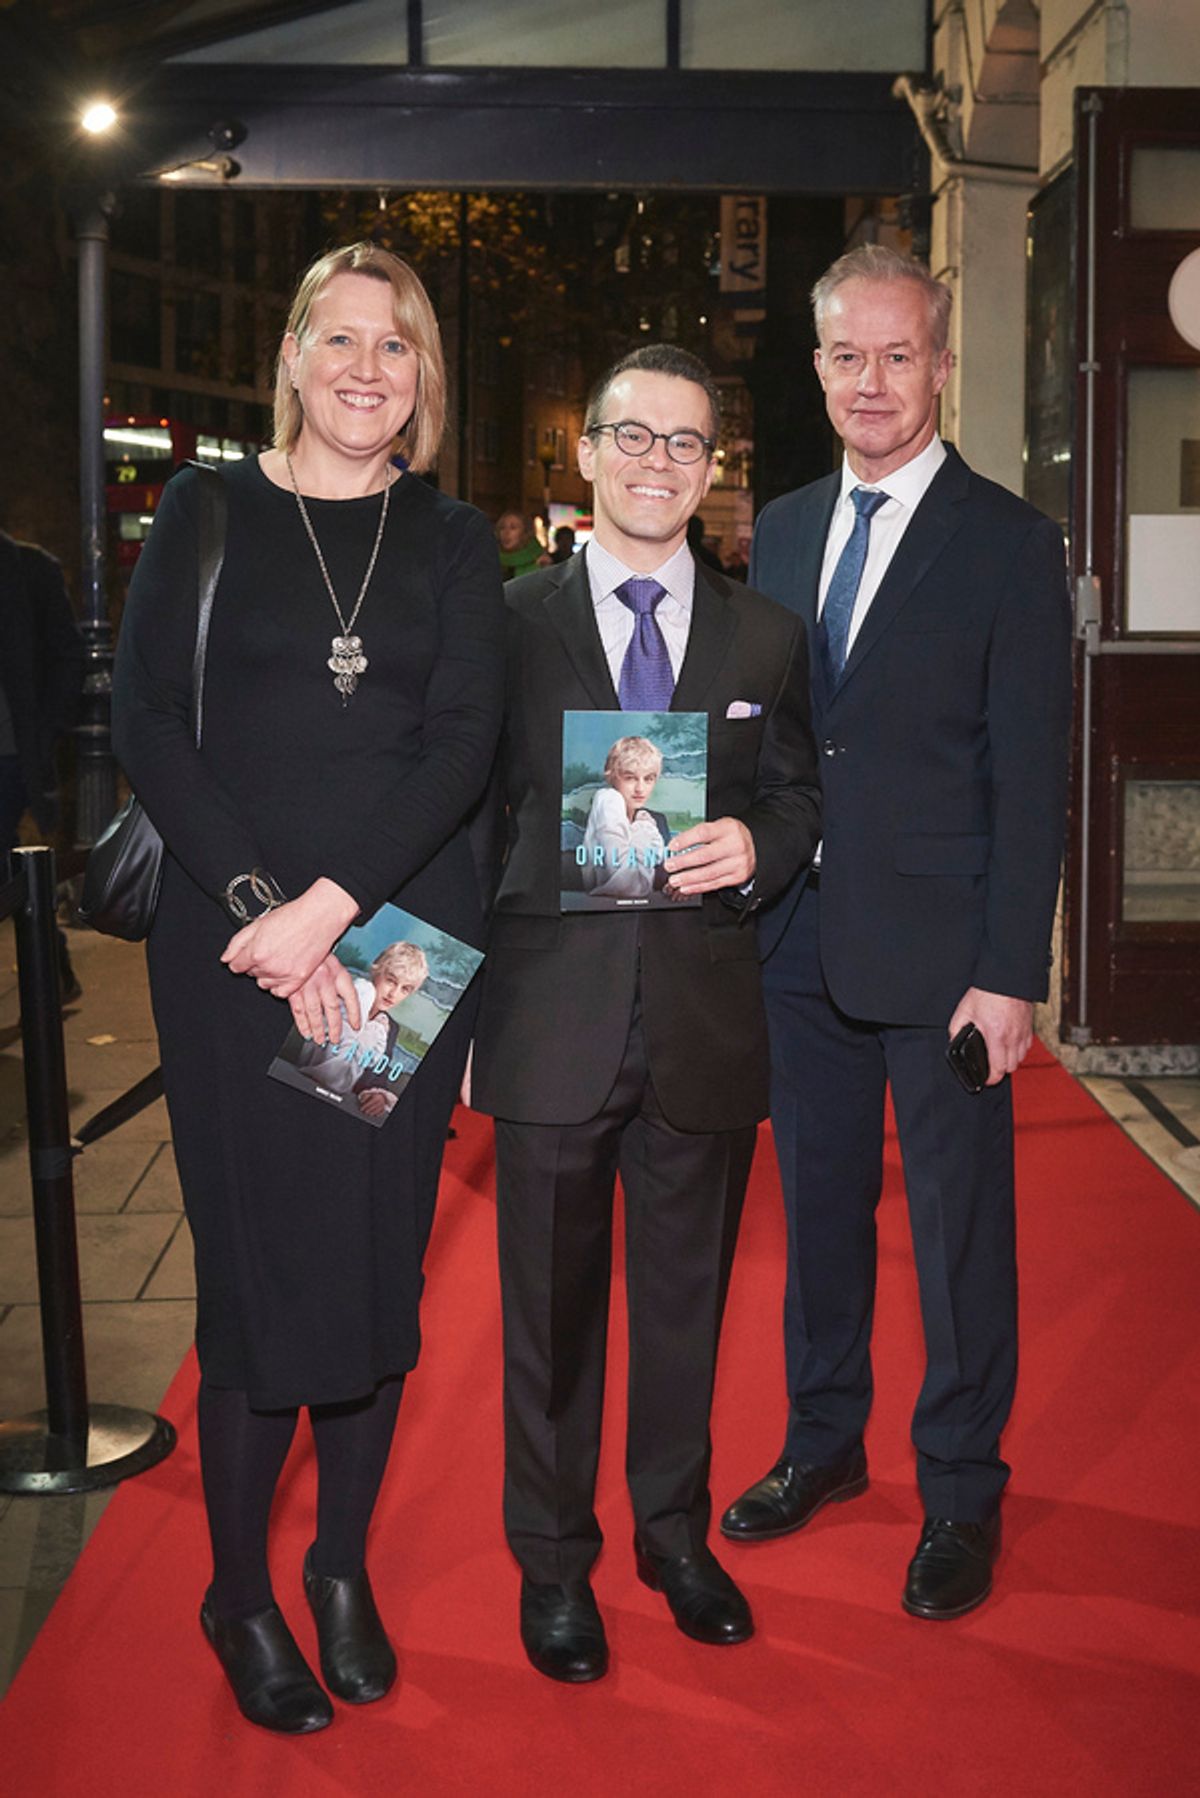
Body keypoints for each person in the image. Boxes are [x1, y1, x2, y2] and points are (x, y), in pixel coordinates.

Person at [111, 242, 504, 1733]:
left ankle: (338, 1563)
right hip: (231, 956)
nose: (365, 368)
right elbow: (150, 721)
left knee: (370, 1256)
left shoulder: (457, 536)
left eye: (395, 345)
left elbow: (459, 743)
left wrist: (331, 918)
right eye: (338, 339)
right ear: (288, 355)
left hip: (399, 955)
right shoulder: (205, 511)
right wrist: (268, 915)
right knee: (256, 1269)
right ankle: (236, 1587)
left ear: (423, 375)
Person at [720, 245, 1072, 1621]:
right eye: (846, 356)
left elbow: (1030, 772)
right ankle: (824, 1444)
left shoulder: (1006, 540)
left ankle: (963, 1486)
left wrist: (1008, 971)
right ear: (817, 370)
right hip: (797, 939)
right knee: (815, 1214)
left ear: (939, 361)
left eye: (899, 354)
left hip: (944, 962)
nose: (874, 381)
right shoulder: (788, 521)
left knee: (960, 1229)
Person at [471, 343, 820, 1683]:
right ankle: (553, 1562)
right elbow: (468, 808)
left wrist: (759, 839)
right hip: (551, 1016)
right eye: (635, 435)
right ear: (586, 450)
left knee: (685, 1305)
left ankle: (673, 1536)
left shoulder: (767, 633)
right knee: (548, 1317)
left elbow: (798, 795)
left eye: (686, 442)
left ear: (714, 468)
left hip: (701, 1018)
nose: (658, 462)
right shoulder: (507, 620)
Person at [0, 528, 84, 999]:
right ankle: (51, 959)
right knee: (8, 863)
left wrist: (47, 729)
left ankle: (49, 962)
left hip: (9, 753)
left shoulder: (30, 568)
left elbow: (68, 656)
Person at [292, 940, 429, 1121]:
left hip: (339, 1106)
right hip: (302, 1083)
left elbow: (378, 1074)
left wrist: (378, 1096)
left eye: (405, 989)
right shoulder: (346, 995)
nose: (393, 994)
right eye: (391, 980)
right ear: (377, 970)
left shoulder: (389, 1027)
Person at [580, 735, 668, 900]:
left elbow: (663, 876)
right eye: (630, 778)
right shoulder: (607, 800)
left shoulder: (655, 820)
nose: (640, 789)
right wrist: (643, 829)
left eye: (648, 779)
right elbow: (629, 885)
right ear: (612, 776)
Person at [495, 509, 547, 580]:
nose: (506, 533)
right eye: (502, 528)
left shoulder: (540, 561)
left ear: (525, 532)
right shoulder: (492, 559)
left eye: (513, 528)